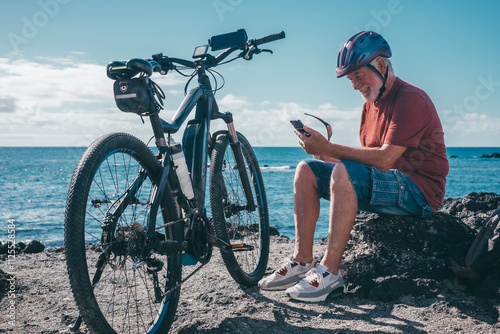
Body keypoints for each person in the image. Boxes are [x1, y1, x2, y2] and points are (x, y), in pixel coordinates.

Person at [258, 31, 449, 302]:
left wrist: (330, 150)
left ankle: (330, 274)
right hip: (388, 183)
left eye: (359, 75)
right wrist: (323, 154)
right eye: (350, 79)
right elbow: (366, 163)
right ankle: (302, 261)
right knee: (306, 170)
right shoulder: (369, 105)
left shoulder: (411, 99)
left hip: (420, 192)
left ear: (380, 65)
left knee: (341, 168)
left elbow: (383, 159)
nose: (355, 85)